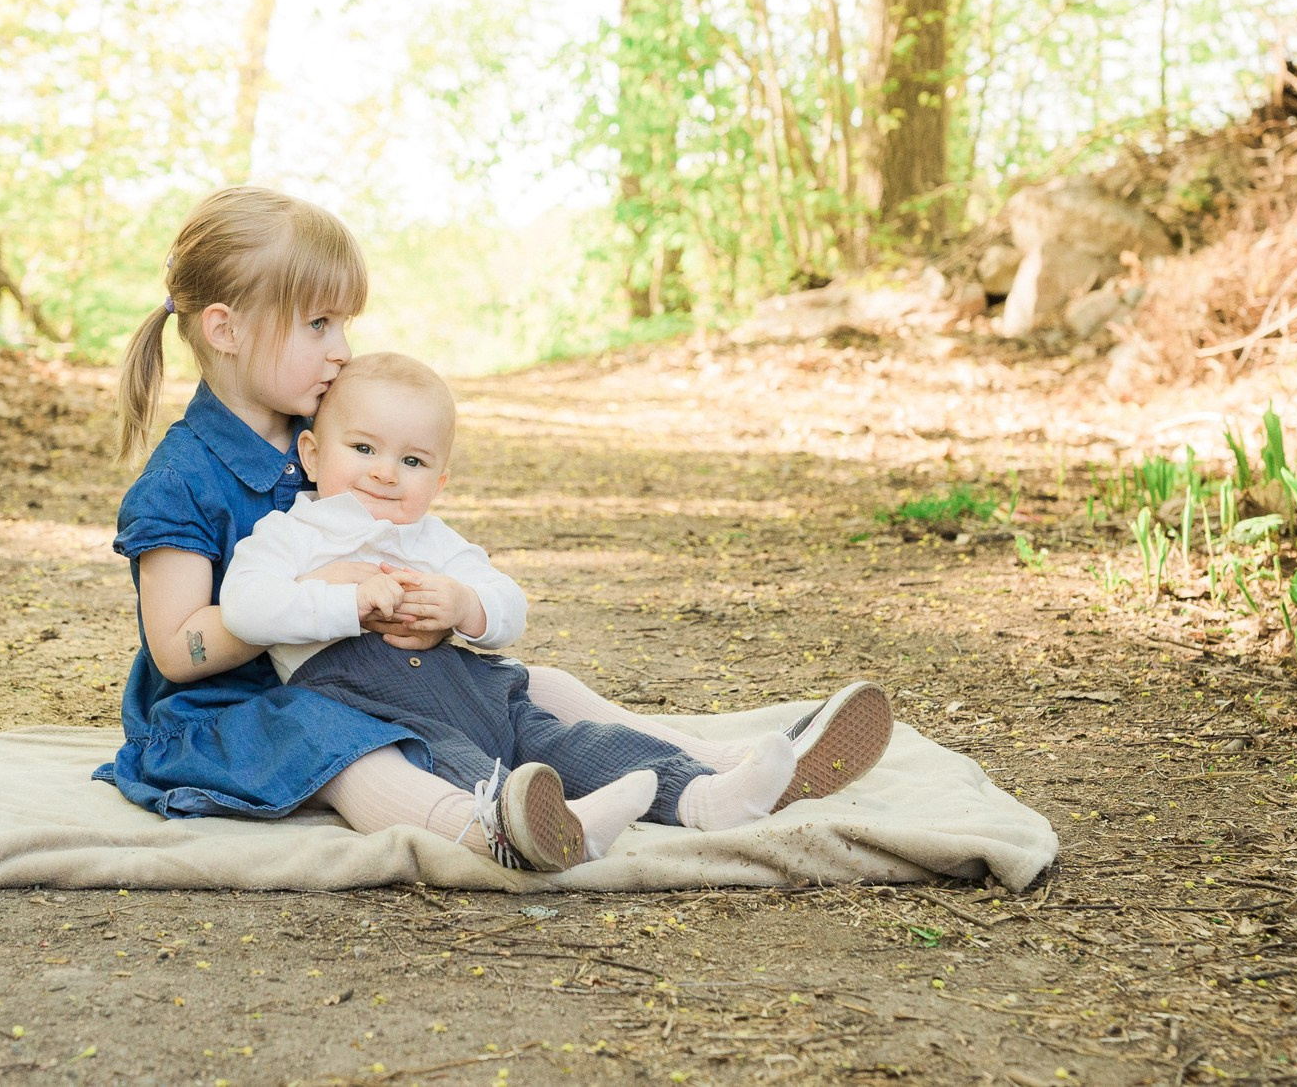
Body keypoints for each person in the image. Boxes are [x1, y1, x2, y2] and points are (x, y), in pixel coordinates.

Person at [98, 185, 889, 871]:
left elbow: (409, 524)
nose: (342, 350)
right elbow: (177, 648)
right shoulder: (183, 477)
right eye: (318, 325)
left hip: (364, 665)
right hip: (234, 709)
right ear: (227, 329)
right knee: (340, 740)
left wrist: (433, 599)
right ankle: (485, 828)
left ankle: (720, 769)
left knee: (520, 687)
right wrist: (326, 596)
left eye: (344, 324)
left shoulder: (327, 433)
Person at [220, 351, 869, 865]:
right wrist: (347, 600)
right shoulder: (292, 534)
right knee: (450, 762)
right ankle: (549, 829)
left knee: (575, 741)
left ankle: (704, 796)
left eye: (412, 460)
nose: (386, 472)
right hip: (364, 702)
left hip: (465, 684)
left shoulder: (435, 540)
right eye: (363, 448)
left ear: (439, 479)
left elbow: (510, 607)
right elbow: (245, 607)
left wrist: (463, 603)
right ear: (311, 453)